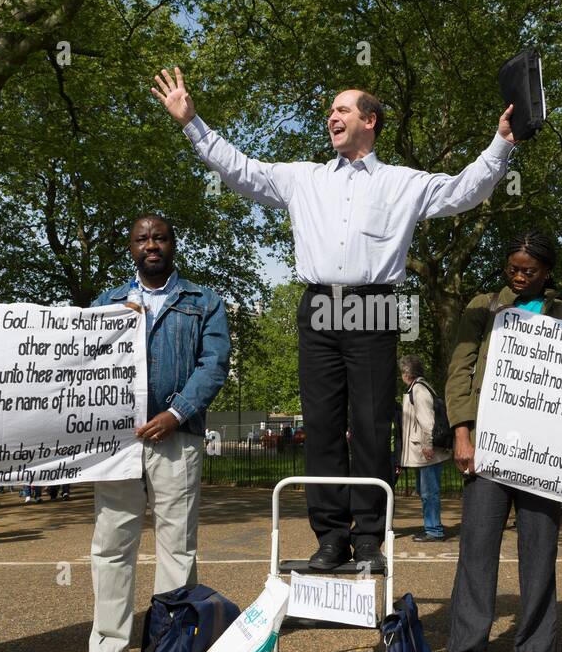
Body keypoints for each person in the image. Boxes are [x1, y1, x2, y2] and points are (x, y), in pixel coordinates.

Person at [152, 67, 518, 572]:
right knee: (322, 428)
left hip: (373, 304)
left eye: (342, 109)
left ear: (370, 120)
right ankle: (329, 537)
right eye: (330, 111)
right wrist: (192, 122)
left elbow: (463, 191)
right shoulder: (303, 178)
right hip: (319, 304)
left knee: (370, 426)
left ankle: (369, 537)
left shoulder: (402, 183)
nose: (332, 116)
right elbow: (239, 169)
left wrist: (500, 144)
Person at [68, 214, 231, 652]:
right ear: (131, 247)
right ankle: (109, 646)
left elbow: (214, 363)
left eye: (159, 237)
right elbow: (82, 364)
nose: (151, 245)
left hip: (177, 436)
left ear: (173, 244)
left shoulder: (204, 302)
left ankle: (168, 641)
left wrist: (176, 412)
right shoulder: (107, 303)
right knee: (111, 543)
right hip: (118, 442)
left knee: (176, 544)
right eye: (142, 239)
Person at [444, 232, 562, 652]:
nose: (520, 277)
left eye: (529, 270)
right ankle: (466, 643)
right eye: (513, 269)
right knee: (477, 546)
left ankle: (535, 644)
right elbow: (459, 371)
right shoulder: (482, 308)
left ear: (547, 272)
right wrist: (462, 434)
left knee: (539, 548)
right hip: (488, 445)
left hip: (542, 451)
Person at [398, 355, 451, 541]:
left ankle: (434, 530)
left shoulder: (419, 391)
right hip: (423, 449)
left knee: (429, 492)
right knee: (426, 491)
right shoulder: (421, 387)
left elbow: (427, 422)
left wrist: (427, 445)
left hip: (425, 450)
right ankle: (431, 527)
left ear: (407, 372)